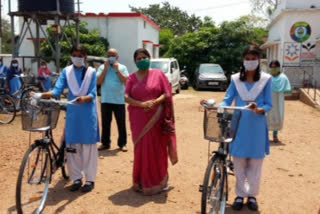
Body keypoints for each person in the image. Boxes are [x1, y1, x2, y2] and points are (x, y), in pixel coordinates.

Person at [34, 44, 100, 193]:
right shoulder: (67, 71)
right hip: (73, 114)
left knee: (88, 148)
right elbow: (57, 89)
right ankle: (76, 178)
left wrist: (85, 97)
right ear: (71, 56)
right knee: (72, 148)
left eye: (80, 55)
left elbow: (93, 93)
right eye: (74, 55)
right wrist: (41, 95)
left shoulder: (91, 72)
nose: (77, 58)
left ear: (85, 57)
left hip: (87, 114)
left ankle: (89, 180)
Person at [220, 46, 272, 211]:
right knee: (239, 162)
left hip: (257, 126)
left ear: (259, 60)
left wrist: (258, 109)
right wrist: (219, 107)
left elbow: (269, 103)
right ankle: (240, 195)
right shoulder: (236, 79)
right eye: (247, 59)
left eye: (253, 58)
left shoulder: (266, 79)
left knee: (255, 165)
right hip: (238, 125)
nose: (250, 62)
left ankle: (252, 196)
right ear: (243, 60)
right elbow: (227, 99)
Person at [124, 48, 178, 195]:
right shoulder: (131, 78)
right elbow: (126, 97)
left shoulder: (158, 74)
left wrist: (154, 102)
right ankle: (140, 181)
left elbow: (166, 93)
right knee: (140, 150)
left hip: (156, 118)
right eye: (139, 58)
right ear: (135, 61)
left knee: (157, 150)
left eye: (144, 57)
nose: (142, 60)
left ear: (149, 58)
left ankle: (160, 181)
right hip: (138, 119)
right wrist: (141, 104)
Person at [97, 48, 129, 152]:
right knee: (106, 123)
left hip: (119, 100)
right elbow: (98, 82)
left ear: (117, 57)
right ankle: (105, 143)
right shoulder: (102, 67)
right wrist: (105, 69)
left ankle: (122, 144)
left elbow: (125, 81)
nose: (110, 57)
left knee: (121, 123)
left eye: (113, 55)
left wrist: (117, 70)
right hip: (106, 100)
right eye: (109, 55)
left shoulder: (123, 67)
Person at [266, 60, 291, 143]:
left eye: (275, 67)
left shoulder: (283, 77)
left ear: (278, 67)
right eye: (271, 67)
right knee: (267, 116)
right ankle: (265, 135)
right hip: (268, 99)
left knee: (278, 115)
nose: (273, 69)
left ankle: (275, 135)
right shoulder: (267, 77)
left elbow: (287, 89)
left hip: (278, 99)